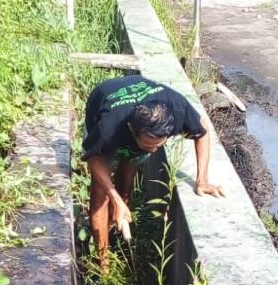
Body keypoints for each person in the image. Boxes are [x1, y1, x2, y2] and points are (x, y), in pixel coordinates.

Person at [82, 75, 224, 266]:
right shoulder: (109, 124)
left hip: (136, 120)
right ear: (132, 129)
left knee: (126, 183)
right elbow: (93, 158)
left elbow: (202, 131)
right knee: (101, 193)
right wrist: (113, 197)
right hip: (104, 100)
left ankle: (117, 230)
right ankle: (103, 262)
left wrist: (202, 180)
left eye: (159, 144)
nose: (154, 149)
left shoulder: (177, 108)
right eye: (149, 144)